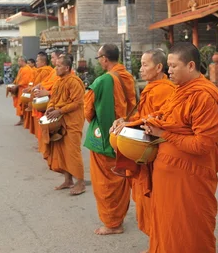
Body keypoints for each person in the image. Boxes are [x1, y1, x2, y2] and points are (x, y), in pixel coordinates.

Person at [137, 42, 218, 253]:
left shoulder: (203, 96)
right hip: (168, 174)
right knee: (168, 226)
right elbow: (162, 117)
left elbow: (202, 145)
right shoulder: (179, 91)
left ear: (191, 65)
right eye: (168, 65)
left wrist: (164, 134)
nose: (169, 71)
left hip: (190, 177)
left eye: (174, 66)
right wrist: (131, 123)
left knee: (189, 229)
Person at [110, 48, 176, 242]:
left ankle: (162, 243)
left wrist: (128, 124)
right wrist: (124, 120)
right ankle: (156, 243)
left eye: (145, 64)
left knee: (158, 203)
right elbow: (142, 116)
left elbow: (158, 119)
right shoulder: (151, 87)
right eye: (141, 64)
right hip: (144, 152)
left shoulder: (165, 89)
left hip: (157, 152)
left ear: (159, 67)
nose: (141, 69)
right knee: (148, 204)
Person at [83, 43, 136, 235]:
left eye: (99, 58)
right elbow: (133, 104)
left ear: (105, 59)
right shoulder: (127, 76)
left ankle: (113, 224)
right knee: (119, 179)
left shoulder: (103, 80)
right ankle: (118, 218)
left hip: (106, 137)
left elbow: (88, 110)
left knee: (105, 182)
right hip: (126, 134)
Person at [43, 55, 86, 195]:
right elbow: (53, 99)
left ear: (67, 68)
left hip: (72, 121)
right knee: (62, 151)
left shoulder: (74, 82)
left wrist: (59, 110)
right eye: (56, 65)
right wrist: (50, 107)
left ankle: (80, 183)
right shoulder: (58, 82)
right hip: (59, 120)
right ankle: (68, 180)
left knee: (73, 152)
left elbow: (77, 102)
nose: (56, 67)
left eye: (59, 65)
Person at [25, 52, 55, 139]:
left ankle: (42, 144)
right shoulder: (39, 71)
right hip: (37, 97)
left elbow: (45, 85)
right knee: (39, 123)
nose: (36, 63)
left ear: (43, 62)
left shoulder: (46, 71)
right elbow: (36, 83)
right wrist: (30, 88)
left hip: (43, 100)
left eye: (37, 61)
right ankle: (41, 143)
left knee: (42, 122)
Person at [11, 57, 34, 126]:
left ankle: (23, 120)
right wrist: (14, 83)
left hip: (24, 89)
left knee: (22, 105)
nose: (18, 63)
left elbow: (25, 81)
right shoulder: (21, 69)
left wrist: (17, 86)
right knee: (20, 105)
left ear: (22, 61)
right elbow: (18, 78)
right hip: (20, 89)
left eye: (19, 61)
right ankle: (22, 119)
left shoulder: (27, 69)